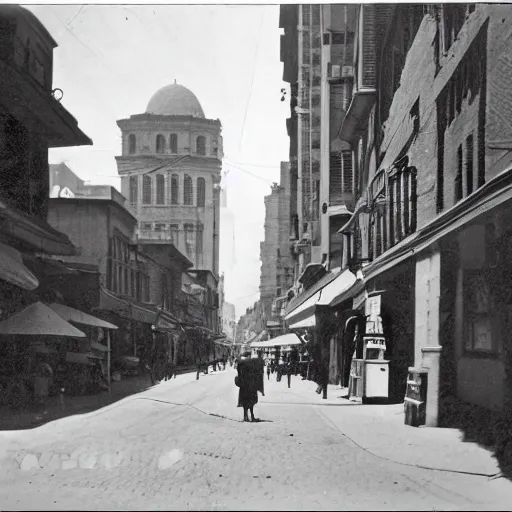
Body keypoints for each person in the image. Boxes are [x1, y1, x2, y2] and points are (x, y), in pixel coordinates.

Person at [236, 351, 263, 422]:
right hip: (251, 385)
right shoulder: (253, 362)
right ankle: (252, 416)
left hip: (244, 386)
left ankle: (245, 417)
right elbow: (257, 372)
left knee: (245, 401)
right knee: (251, 401)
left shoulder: (240, 363)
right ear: (249, 356)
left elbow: (238, 374)